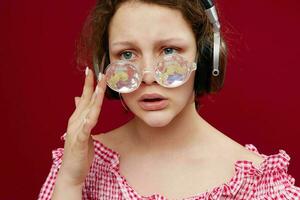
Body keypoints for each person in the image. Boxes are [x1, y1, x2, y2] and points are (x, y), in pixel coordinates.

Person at [38, 0, 300, 199]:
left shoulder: (258, 185)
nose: (148, 77)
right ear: (105, 66)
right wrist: (71, 181)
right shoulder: (79, 164)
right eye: (127, 55)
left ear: (207, 58)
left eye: (169, 50)